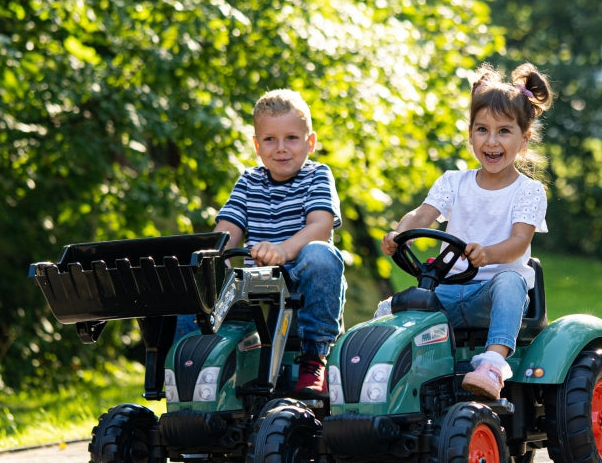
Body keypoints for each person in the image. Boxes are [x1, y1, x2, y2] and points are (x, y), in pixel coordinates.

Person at [381, 62, 553, 399]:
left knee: (510, 280)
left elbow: (519, 243)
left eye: (504, 131)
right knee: (392, 307)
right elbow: (423, 214)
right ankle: (381, 370)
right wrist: (398, 234)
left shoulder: (528, 191)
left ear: (523, 139)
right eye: (482, 130)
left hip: (490, 296)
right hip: (447, 289)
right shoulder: (453, 182)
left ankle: (493, 363)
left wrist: (487, 254)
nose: (491, 141)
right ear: (470, 133)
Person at [213, 88, 346, 396]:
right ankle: (190, 367)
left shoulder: (317, 176)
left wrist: (282, 251)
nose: (281, 148)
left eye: (292, 138)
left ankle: (315, 357)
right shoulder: (248, 182)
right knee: (195, 277)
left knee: (320, 254)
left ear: (310, 142)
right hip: (258, 290)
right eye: (270, 139)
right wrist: (208, 255)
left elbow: (321, 226)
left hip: (304, 289)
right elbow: (226, 232)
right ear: (257, 146)